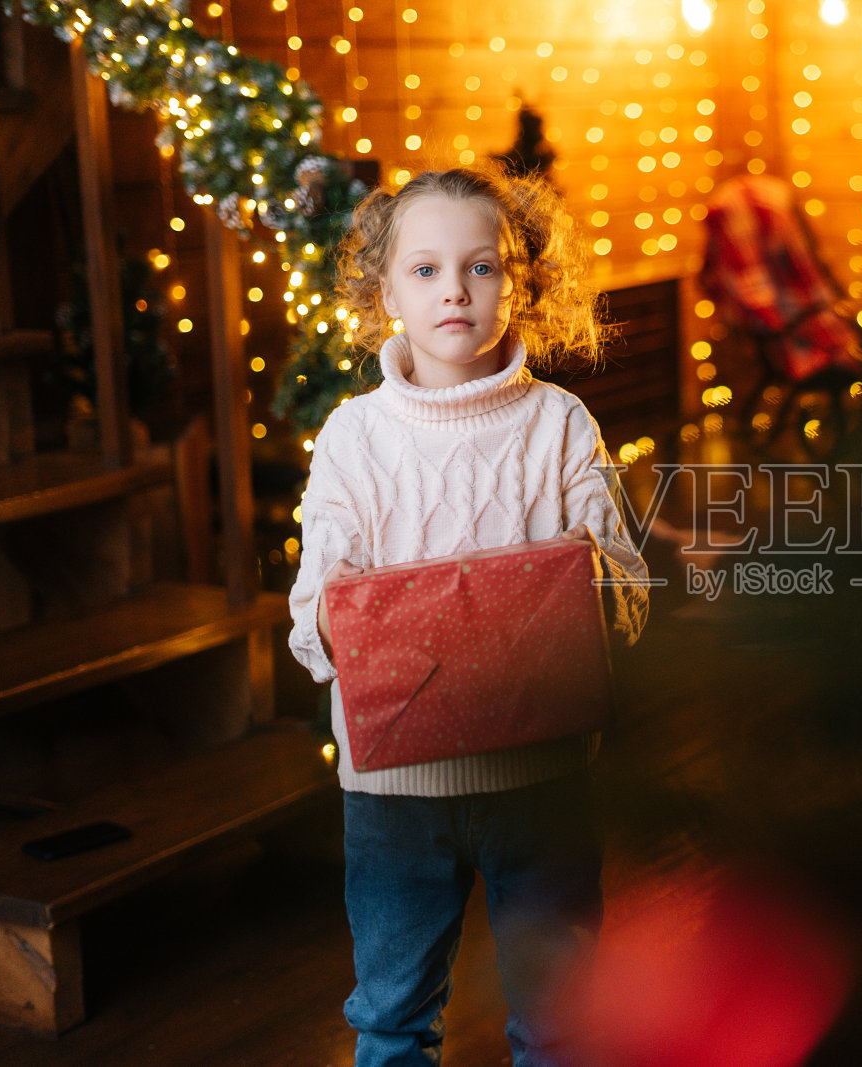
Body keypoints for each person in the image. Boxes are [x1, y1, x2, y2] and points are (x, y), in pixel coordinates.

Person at [286, 166, 649, 1067]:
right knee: (392, 1016)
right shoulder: (352, 437)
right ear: (386, 295)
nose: (454, 288)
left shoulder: (560, 423)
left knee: (561, 1017)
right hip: (395, 799)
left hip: (543, 780)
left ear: (520, 282)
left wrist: (580, 583)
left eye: (481, 266)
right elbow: (311, 616)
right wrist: (347, 614)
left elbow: (630, 592)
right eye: (425, 270)